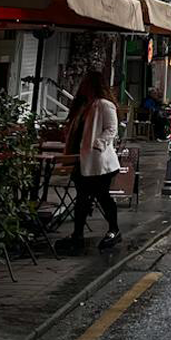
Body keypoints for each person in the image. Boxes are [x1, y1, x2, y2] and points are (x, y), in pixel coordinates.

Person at [57, 71, 121, 254]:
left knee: (101, 196)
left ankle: (113, 229)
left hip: (100, 163)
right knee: (82, 199)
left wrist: (98, 144)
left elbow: (112, 128)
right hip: (82, 160)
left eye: (86, 84)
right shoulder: (84, 106)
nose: (83, 87)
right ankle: (78, 235)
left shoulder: (104, 105)